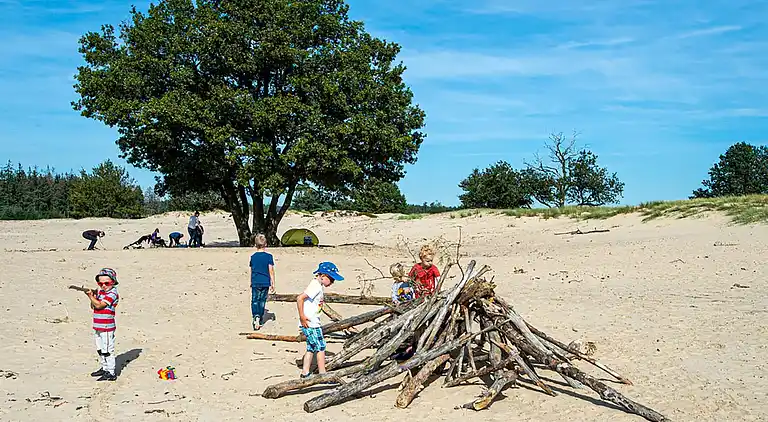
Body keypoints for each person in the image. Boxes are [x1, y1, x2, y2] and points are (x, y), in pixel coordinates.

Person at [297, 261, 343, 378]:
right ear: (323, 276)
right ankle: (323, 374)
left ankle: (305, 372)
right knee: (321, 347)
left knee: (311, 347)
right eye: (331, 279)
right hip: (310, 323)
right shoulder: (315, 286)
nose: (332, 282)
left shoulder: (317, 286)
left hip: (313, 322)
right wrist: (302, 317)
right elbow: (300, 298)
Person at [84, 268, 120, 381]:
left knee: (108, 350)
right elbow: (93, 306)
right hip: (98, 325)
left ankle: (111, 371)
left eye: (106, 283)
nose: (103, 285)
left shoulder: (113, 293)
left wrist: (90, 296)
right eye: (100, 283)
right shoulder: (101, 292)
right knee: (100, 349)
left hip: (106, 327)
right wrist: (93, 297)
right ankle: (104, 368)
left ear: (113, 282)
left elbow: (100, 305)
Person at [249, 234, 276, 330]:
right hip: (265, 281)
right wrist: (273, 283)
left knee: (255, 299)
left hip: (255, 281)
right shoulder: (269, 256)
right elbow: (271, 271)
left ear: (255, 245)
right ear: (266, 244)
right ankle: (260, 316)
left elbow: (252, 270)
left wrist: (251, 281)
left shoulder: (253, 257)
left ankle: (255, 315)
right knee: (262, 300)